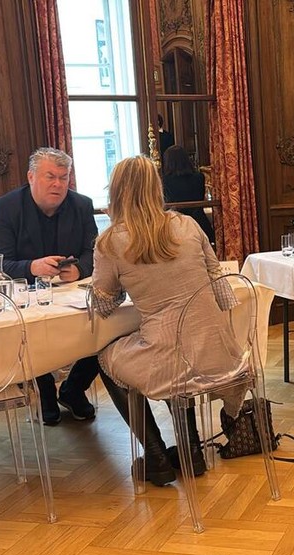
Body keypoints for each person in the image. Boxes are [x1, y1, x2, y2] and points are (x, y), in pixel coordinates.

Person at [90, 155, 240, 486]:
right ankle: (191, 451)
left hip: (171, 359)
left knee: (106, 359)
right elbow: (219, 281)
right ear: (156, 188)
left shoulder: (111, 241)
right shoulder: (187, 225)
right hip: (218, 352)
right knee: (176, 350)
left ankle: (156, 455)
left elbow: (103, 305)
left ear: (115, 192)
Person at [0, 147, 99, 425]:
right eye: (50, 177)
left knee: (107, 324)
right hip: (27, 298)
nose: (58, 184)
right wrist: (31, 267)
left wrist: (80, 269)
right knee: (30, 332)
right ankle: (45, 391)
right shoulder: (7, 207)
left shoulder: (82, 205)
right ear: (31, 177)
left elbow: (94, 252)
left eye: (64, 177)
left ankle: (74, 389)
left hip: (72, 296)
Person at [162, 145, 215, 244]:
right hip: (199, 221)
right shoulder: (199, 177)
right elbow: (201, 197)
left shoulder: (165, 181)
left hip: (176, 224)